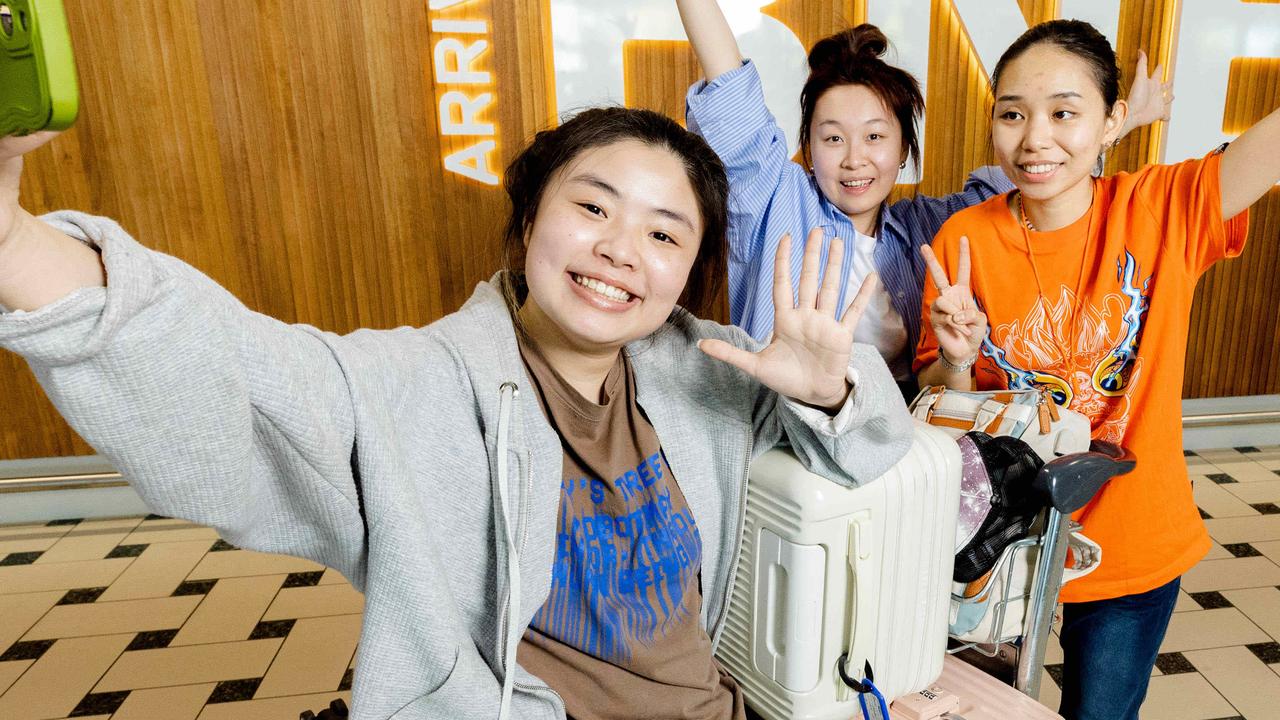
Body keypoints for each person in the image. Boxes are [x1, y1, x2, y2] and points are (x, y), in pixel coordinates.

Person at [0, 107, 913, 719]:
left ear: (689, 268)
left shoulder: (702, 370)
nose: (620, 250)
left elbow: (873, 450)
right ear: (526, 224)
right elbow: (242, 373)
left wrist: (829, 388)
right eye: (592, 205)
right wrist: (14, 241)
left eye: (665, 233)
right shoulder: (424, 383)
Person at [914, 19, 1280, 720]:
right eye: (1012, 113)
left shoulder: (1164, 209)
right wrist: (956, 360)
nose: (1034, 139)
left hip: (1132, 541)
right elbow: (942, 402)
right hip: (996, 547)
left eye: (1064, 112)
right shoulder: (964, 238)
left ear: (1112, 121)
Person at [674, 0, 1170, 397]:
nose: (855, 160)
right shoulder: (775, 200)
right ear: (808, 147)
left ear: (905, 148)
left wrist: (1114, 124)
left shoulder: (932, 225)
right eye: (832, 139)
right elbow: (730, 92)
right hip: (783, 438)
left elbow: (1037, 170)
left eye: (875, 137)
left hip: (891, 444)